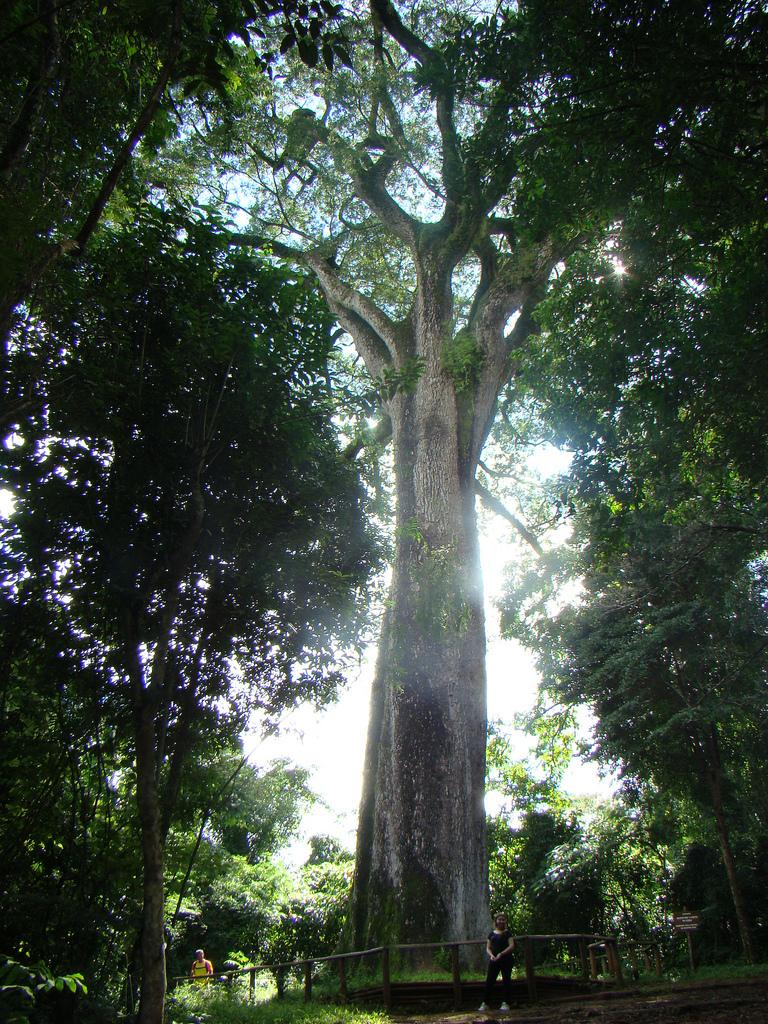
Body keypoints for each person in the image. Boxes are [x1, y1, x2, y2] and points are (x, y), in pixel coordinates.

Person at [479, 913, 515, 1012]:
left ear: (505, 921)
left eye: (503, 919)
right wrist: (491, 955)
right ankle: (485, 1003)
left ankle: (506, 1002)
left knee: (506, 980)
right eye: (499, 919)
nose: (501, 921)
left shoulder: (508, 933)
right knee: (489, 981)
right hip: (494, 960)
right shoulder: (491, 934)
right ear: (496, 921)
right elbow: (488, 948)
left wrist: (501, 954)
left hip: (506, 960)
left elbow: (511, 946)